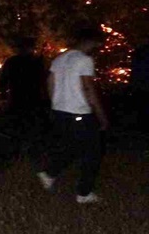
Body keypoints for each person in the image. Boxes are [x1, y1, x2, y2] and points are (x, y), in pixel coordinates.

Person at [37, 25, 108, 204]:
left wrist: (56, 105)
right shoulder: (85, 60)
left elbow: (50, 83)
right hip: (80, 113)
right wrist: (101, 115)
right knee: (93, 153)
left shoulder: (59, 59)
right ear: (92, 42)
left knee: (73, 147)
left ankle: (49, 173)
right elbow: (88, 88)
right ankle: (84, 193)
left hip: (61, 112)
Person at [0, 36, 48, 145]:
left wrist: (3, 97)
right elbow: (43, 81)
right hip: (33, 99)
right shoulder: (36, 61)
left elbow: (3, 82)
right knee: (32, 126)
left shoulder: (11, 62)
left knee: (18, 127)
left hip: (17, 99)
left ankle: (19, 149)